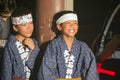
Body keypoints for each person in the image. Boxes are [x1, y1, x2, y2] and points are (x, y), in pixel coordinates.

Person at [38, 11, 99, 80]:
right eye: (68, 23)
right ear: (59, 27)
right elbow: (46, 70)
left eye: (75, 23)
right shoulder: (54, 45)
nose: (72, 26)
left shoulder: (83, 47)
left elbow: (91, 69)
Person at [1, 7, 40, 80]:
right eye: (24, 25)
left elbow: (38, 67)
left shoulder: (34, 43)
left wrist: (35, 50)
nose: (29, 27)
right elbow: (6, 71)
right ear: (15, 28)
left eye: (31, 23)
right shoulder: (11, 46)